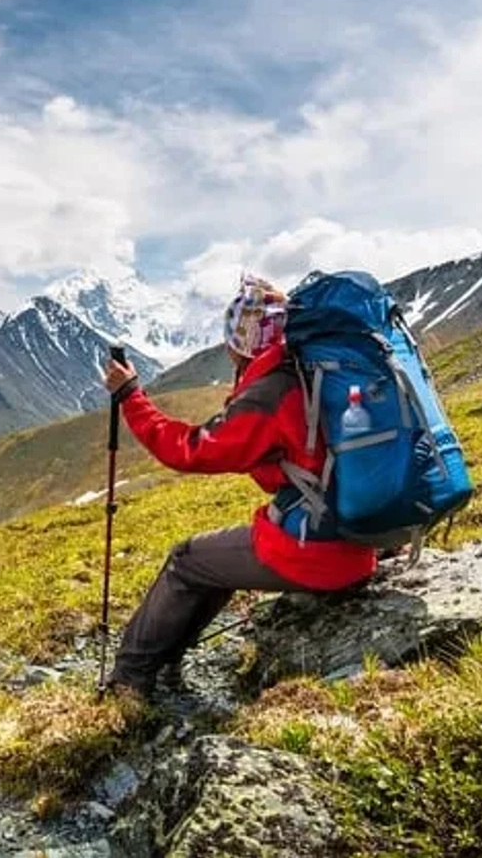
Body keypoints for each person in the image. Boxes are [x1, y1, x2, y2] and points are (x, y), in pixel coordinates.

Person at [101, 273, 378, 700]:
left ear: (241, 339)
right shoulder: (309, 370)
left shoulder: (271, 392)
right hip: (357, 536)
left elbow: (190, 451)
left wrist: (131, 397)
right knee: (215, 561)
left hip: (319, 550)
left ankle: (129, 680)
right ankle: (167, 663)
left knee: (186, 560)